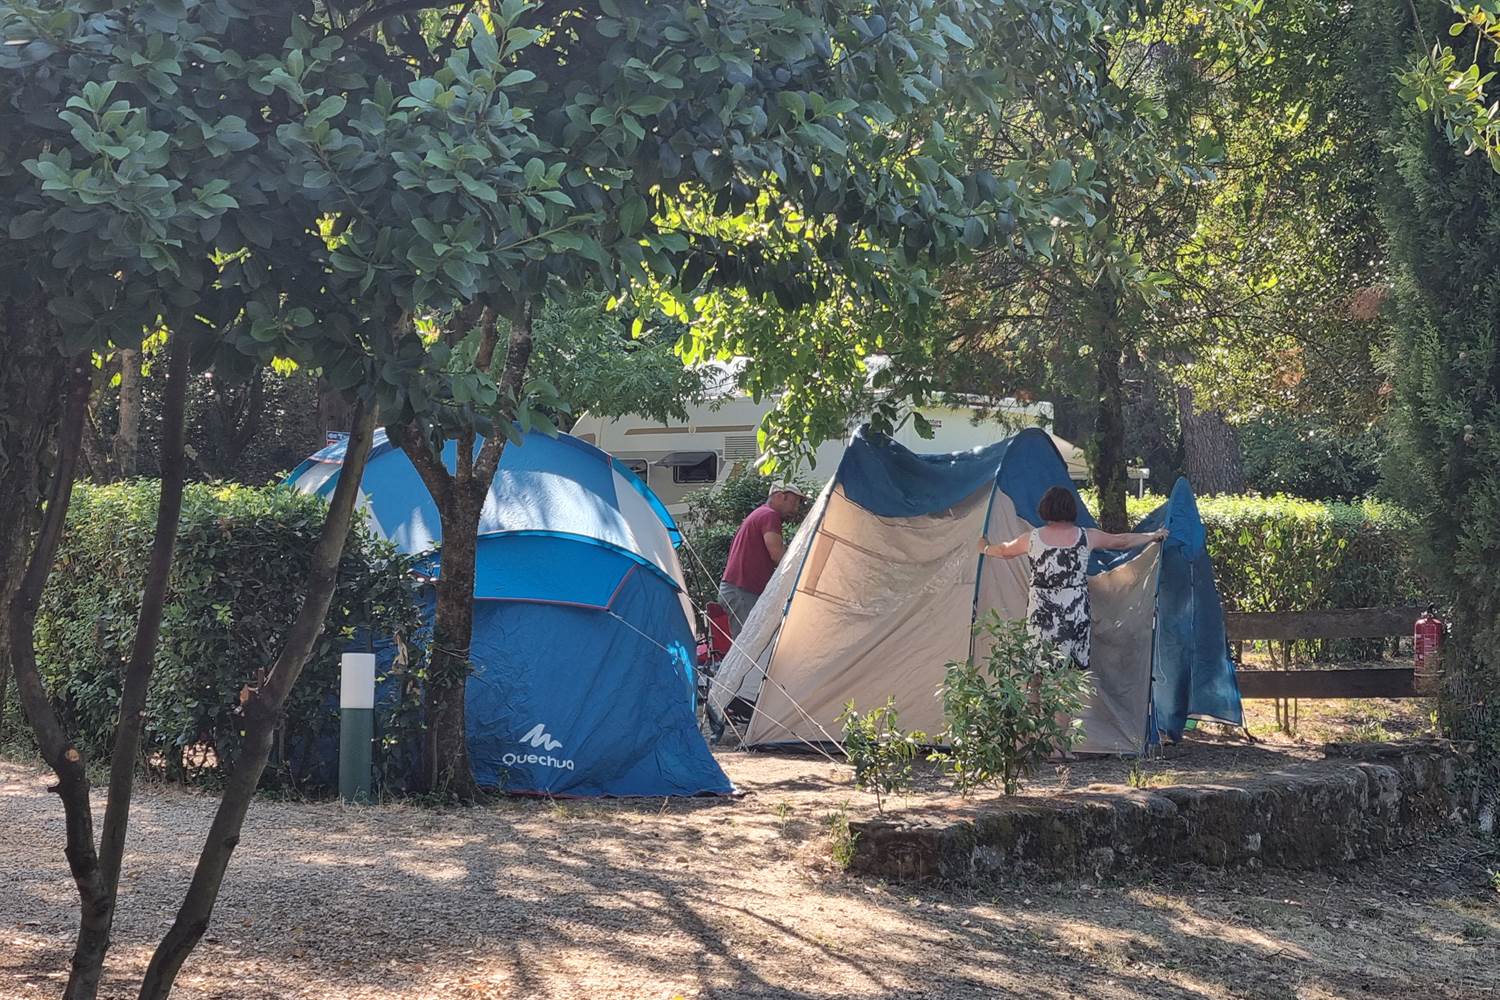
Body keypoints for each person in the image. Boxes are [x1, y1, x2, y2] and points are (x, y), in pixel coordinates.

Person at [978, 486, 1167, 669]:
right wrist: (1152, 536)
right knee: (1070, 670)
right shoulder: (1087, 536)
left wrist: (984, 547)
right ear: (1071, 509)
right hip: (1074, 611)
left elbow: (1004, 551)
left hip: (1042, 612)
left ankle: (1034, 702)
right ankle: (1066, 701)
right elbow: (1121, 541)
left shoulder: (1032, 538)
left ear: (1045, 508)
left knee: (1037, 667)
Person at [718, 482, 810, 636]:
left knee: (749, 643)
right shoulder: (769, 515)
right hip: (743, 591)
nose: (795, 509)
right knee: (749, 646)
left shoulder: (760, 514)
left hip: (739, 590)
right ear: (779, 496)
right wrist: (801, 572)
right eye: (793, 503)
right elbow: (777, 554)